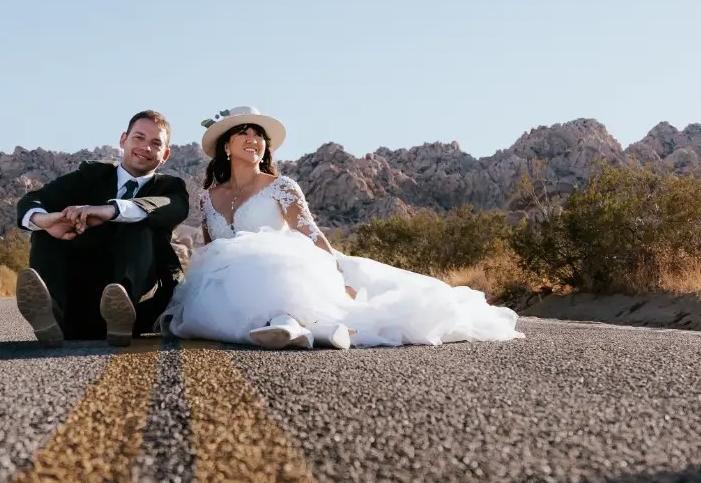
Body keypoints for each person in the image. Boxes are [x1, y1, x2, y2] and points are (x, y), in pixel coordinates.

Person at [161, 106, 523, 349]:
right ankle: (317, 329)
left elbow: (311, 235)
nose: (254, 139)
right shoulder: (209, 197)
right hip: (227, 283)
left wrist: (337, 276)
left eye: (259, 134)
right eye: (244, 133)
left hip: (282, 269)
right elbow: (210, 249)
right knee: (223, 275)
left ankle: (294, 321)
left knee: (263, 260)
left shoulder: (281, 186)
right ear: (226, 146)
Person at [15, 110, 189, 346]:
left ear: (165, 155)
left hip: (140, 306)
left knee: (138, 223)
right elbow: (34, 200)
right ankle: (51, 316)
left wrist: (110, 211)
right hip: (81, 299)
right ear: (123, 140)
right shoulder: (90, 175)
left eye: (155, 143)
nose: (146, 147)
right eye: (139, 138)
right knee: (48, 230)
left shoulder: (171, 188)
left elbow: (172, 208)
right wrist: (45, 221)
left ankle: (121, 312)